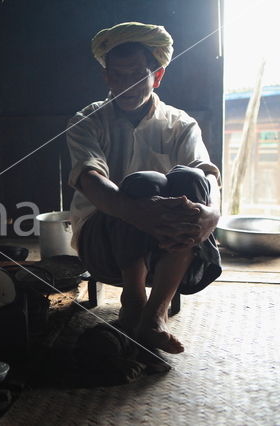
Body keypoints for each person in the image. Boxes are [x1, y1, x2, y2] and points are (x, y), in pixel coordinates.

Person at [66, 22, 222, 354]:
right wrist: (139, 212)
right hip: (104, 244)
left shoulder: (180, 124)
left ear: (157, 76)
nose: (127, 85)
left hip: (169, 242)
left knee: (191, 180)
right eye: (117, 75)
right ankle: (133, 300)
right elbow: (92, 182)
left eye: (137, 75)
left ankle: (156, 313)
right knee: (142, 182)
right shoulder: (87, 121)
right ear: (107, 77)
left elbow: (207, 177)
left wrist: (212, 213)